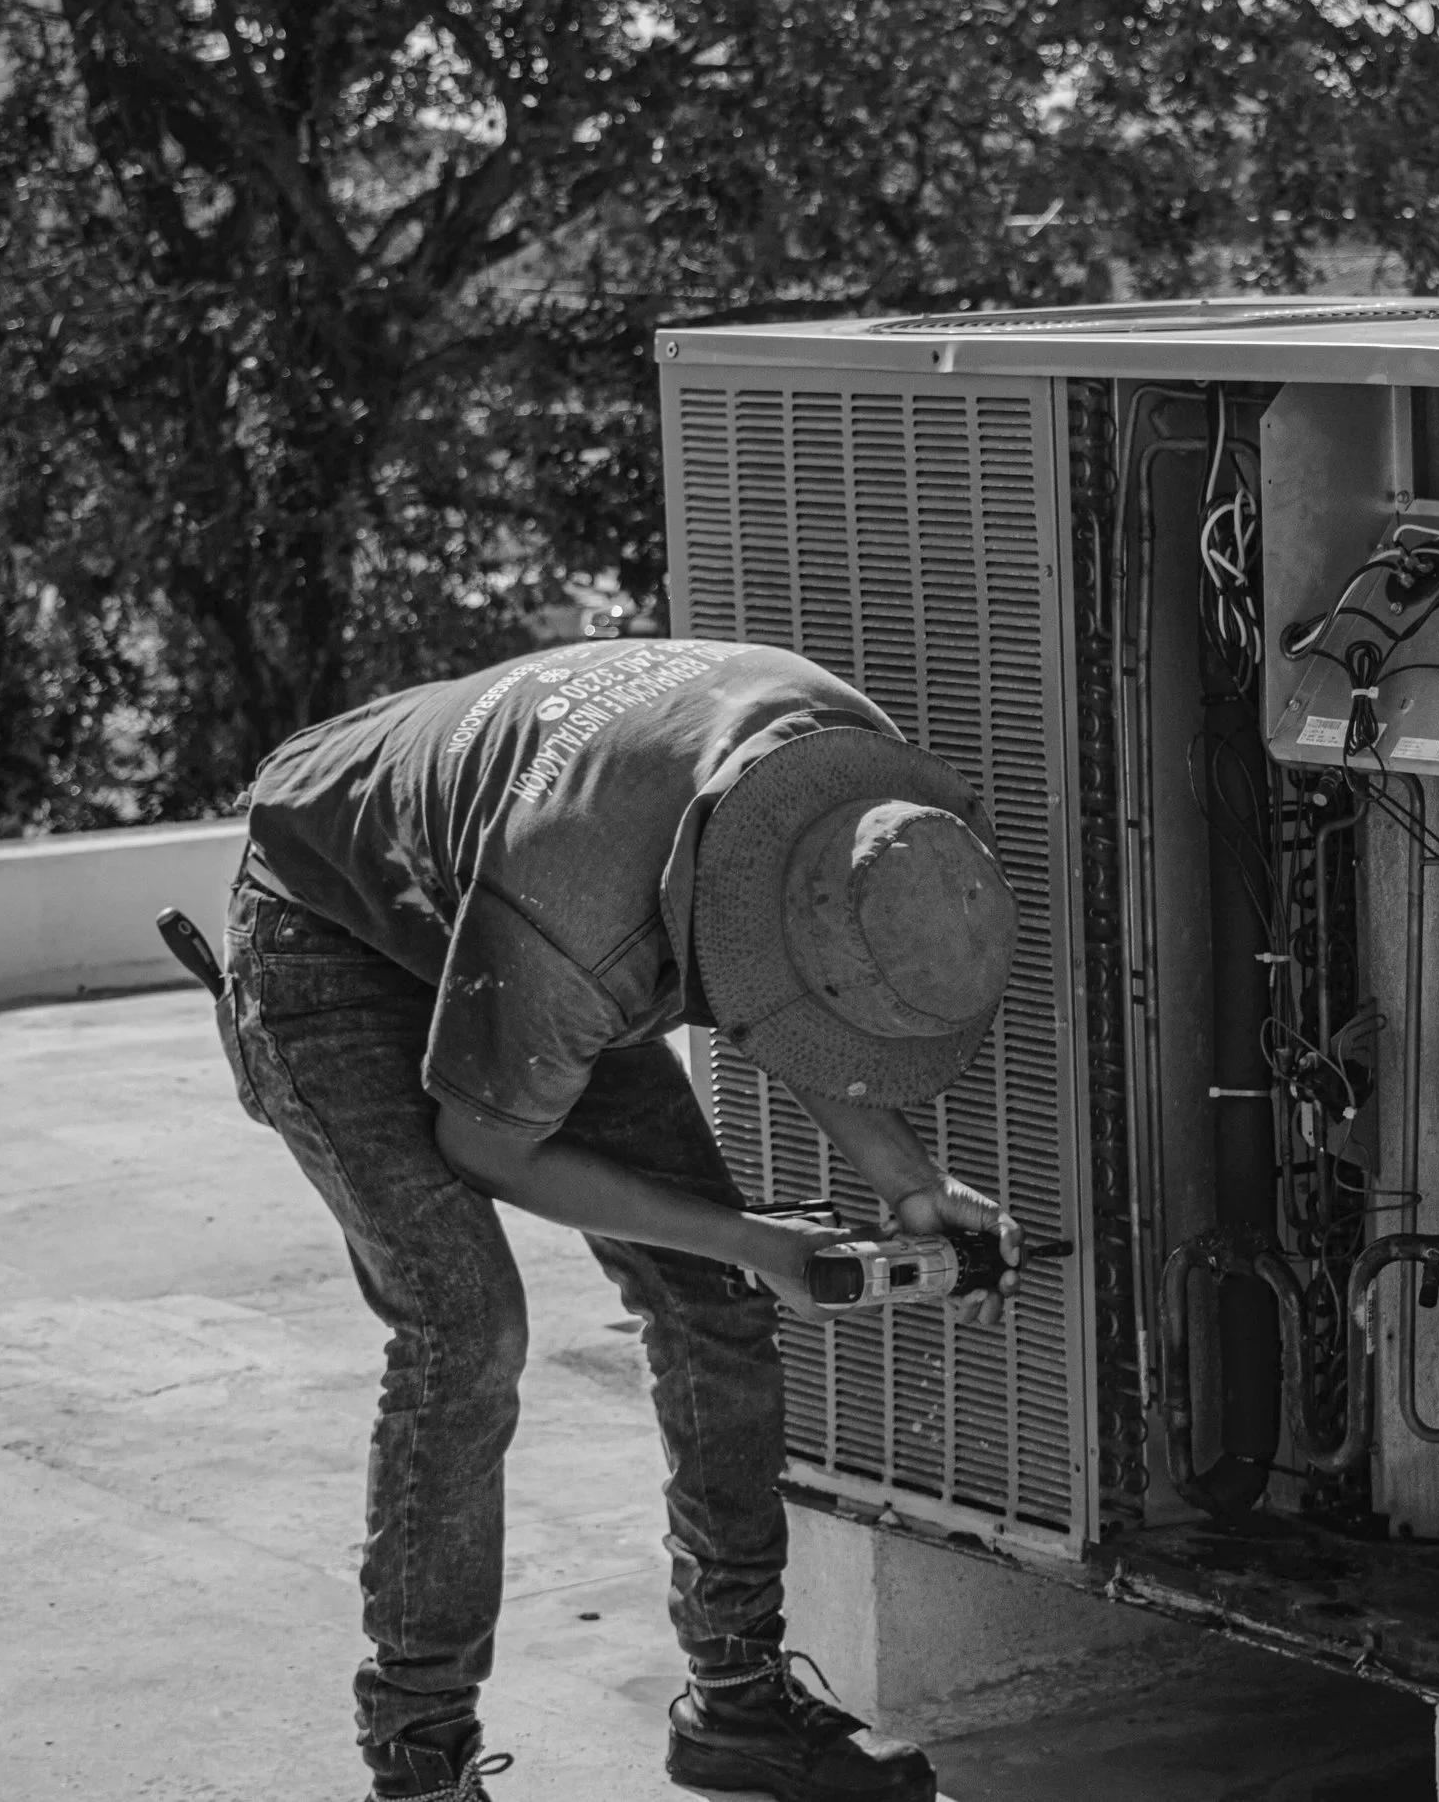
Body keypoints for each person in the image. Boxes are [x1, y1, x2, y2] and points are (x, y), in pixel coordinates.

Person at [216, 637, 1024, 1802]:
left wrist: (908, 1182)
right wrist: (755, 1240)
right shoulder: (581, 922)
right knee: (467, 1326)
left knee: (713, 1304)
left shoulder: (850, 780)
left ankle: (737, 1702)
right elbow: (490, 1147)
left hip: (514, 890)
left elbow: (796, 985)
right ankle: (417, 1758)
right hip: (329, 931)